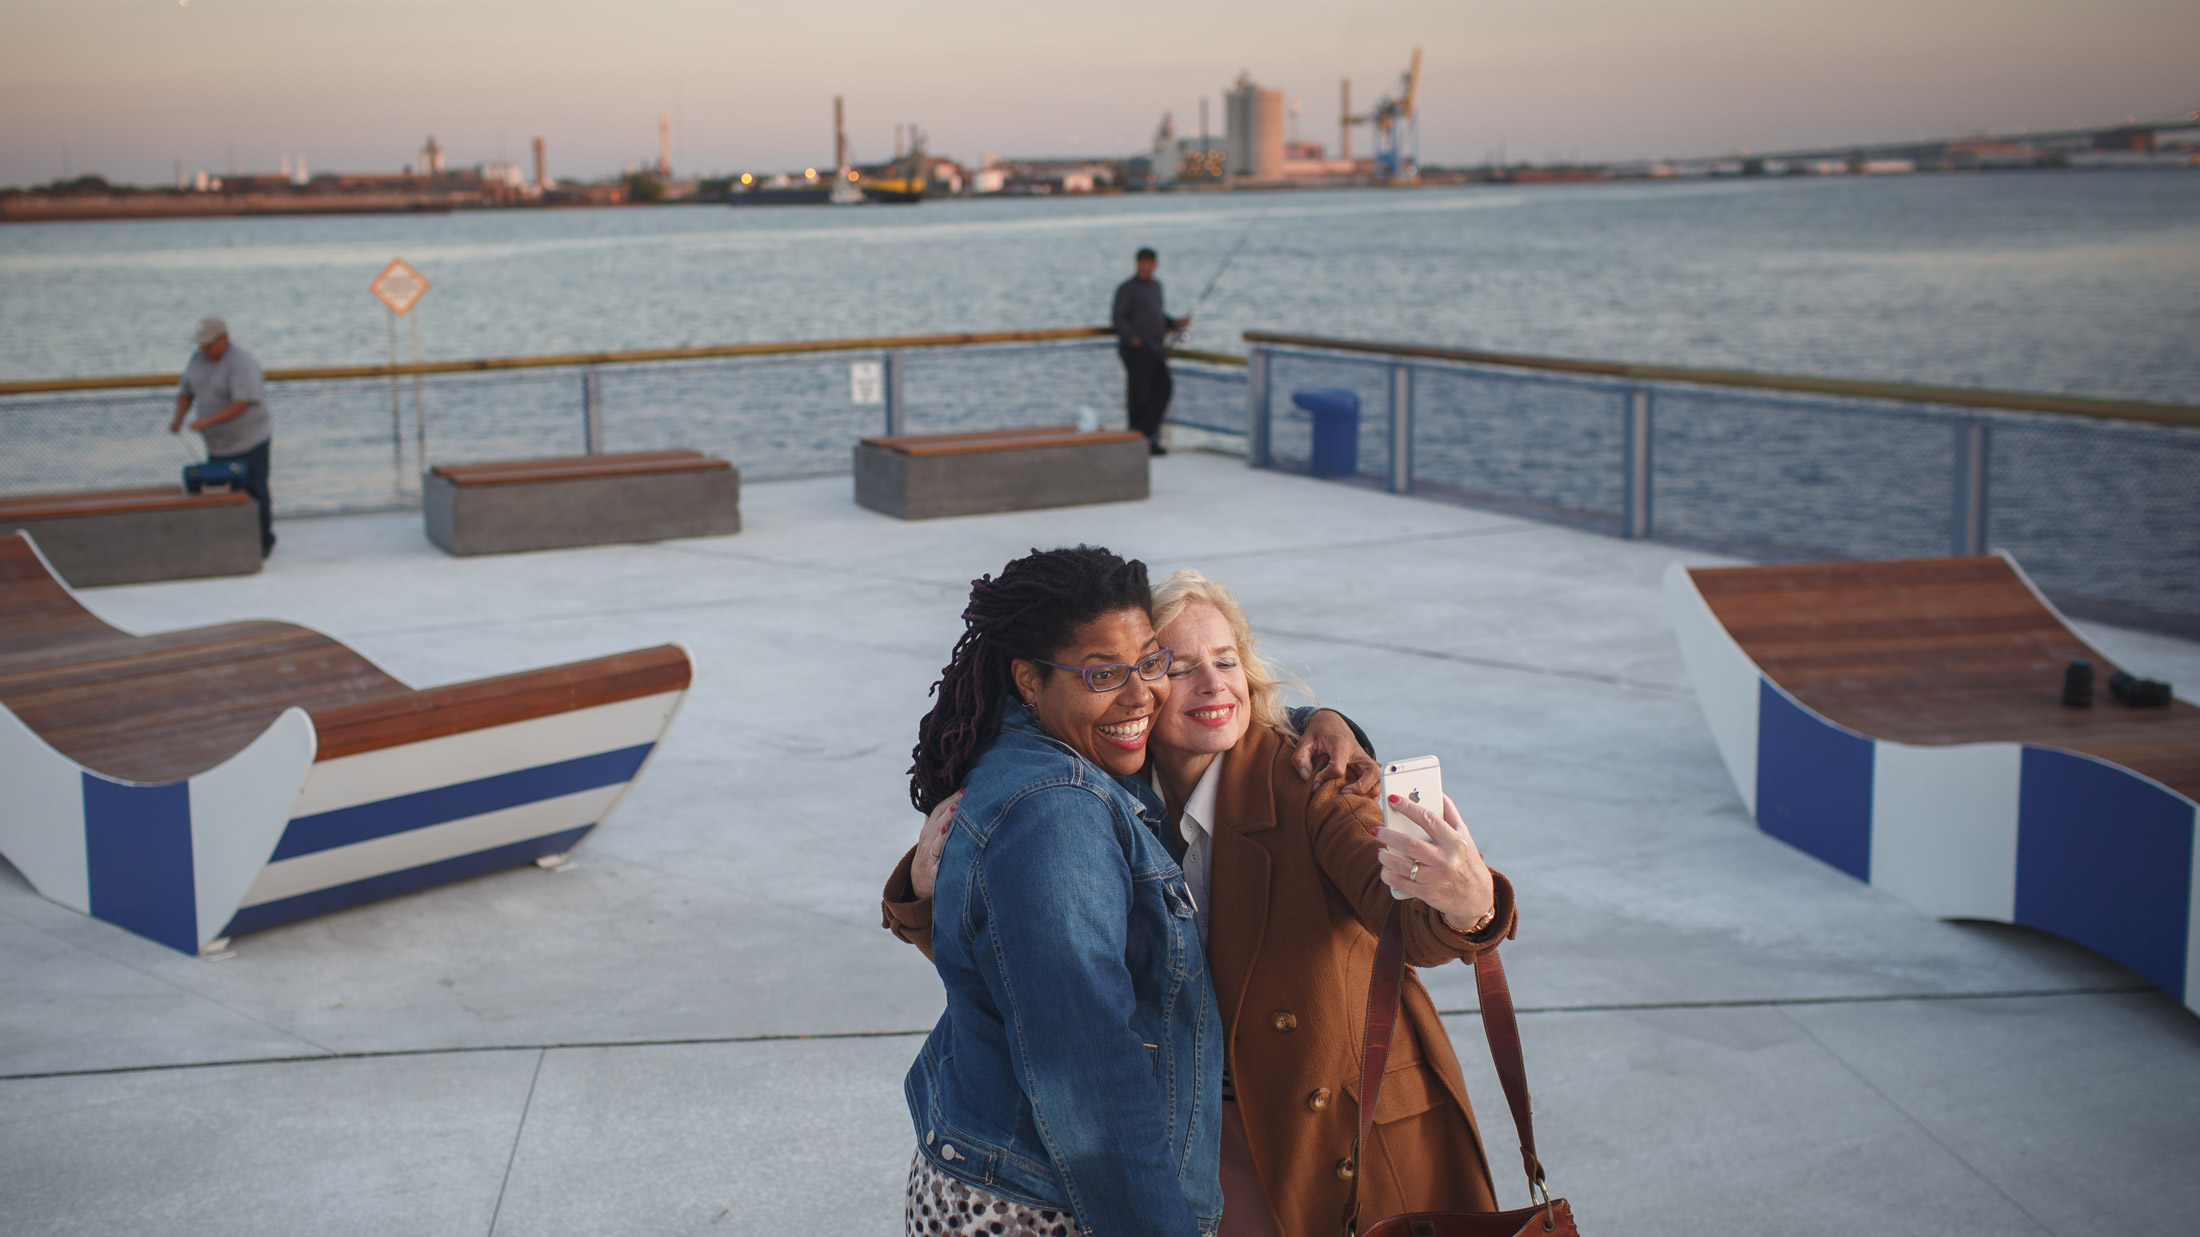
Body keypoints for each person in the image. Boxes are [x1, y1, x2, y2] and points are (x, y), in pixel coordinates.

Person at [885, 571, 1517, 1237]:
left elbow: (1404, 921)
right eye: (1179, 667)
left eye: (1226, 660)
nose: (1214, 685)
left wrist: (1467, 904)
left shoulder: (1310, 778)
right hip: (1209, 1131)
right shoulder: (1096, 788)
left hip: (1339, 1136)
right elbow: (1031, 958)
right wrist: (931, 890)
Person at [901, 545, 1223, 1237]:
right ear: (1029, 679)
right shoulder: (1055, 815)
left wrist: (1327, 721)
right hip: (1039, 1208)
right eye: (1103, 672)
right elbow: (1090, 1075)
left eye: (1149, 660)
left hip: (1016, 1178)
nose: (1140, 694)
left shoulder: (1064, 753)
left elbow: (1228, 712)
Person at [171, 316, 276, 557]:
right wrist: (178, 419)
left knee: (255, 491)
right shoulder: (197, 360)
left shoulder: (241, 363)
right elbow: (186, 391)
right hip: (218, 444)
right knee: (220, 490)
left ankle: (262, 543)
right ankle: (229, 540)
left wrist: (207, 421)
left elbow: (242, 403)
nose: (204, 349)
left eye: (208, 344)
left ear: (223, 339)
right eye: (201, 345)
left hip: (250, 440)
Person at [1112, 247, 1187, 455]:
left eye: (1149, 262)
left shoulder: (1156, 287)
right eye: (1141, 262)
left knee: (1163, 388)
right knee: (1139, 394)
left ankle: (1146, 435)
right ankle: (1137, 438)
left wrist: (1174, 322)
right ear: (1137, 264)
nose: (1145, 266)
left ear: (1154, 264)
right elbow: (1119, 318)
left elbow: (1158, 314)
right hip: (1136, 350)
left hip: (1155, 348)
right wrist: (1132, 339)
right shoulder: (1126, 289)